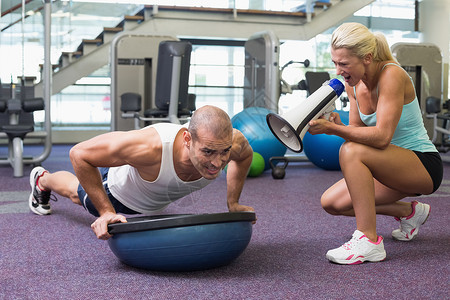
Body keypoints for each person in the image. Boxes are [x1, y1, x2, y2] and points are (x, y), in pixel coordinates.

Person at [308, 23, 443, 265]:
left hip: (421, 163)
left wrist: (335, 129)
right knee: (331, 203)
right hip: (387, 164)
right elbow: (358, 134)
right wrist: (340, 126)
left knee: (349, 151)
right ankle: (409, 213)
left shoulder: (392, 75)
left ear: (367, 58)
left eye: (344, 63)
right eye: (335, 62)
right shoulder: (353, 84)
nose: (338, 71)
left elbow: (381, 138)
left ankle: (369, 242)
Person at [29, 105, 255, 240]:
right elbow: (79, 154)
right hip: (116, 193)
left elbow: (244, 157)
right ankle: (43, 180)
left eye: (224, 152)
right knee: (76, 194)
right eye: (208, 152)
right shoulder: (150, 147)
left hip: (153, 200)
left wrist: (233, 202)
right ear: (187, 139)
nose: (218, 163)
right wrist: (106, 211)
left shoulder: (232, 143)